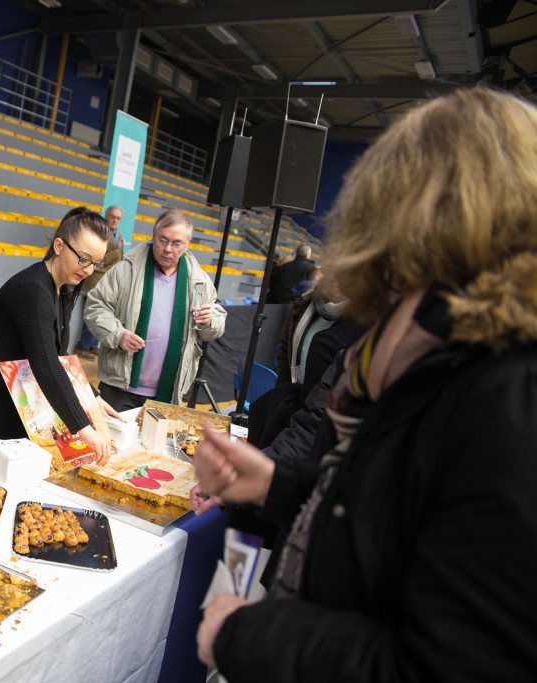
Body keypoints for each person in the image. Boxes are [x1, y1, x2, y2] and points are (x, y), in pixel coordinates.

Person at [192, 88, 537, 681]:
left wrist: (246, 635)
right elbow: (393, 522)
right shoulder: (427, 335)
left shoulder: (507, 395)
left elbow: (455, 661)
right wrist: (278, 485)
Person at [0, 207, 122, 462]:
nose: (89, 269)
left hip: (8, 408)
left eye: (96, 263)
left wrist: (91, 398)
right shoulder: (33, 290)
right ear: (59, 246)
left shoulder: (59, 286)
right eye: (83, 258)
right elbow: (46, 362)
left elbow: (59, 353)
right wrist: (83, 428)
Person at [85, 208, 227, 411]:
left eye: (176, 243)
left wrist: (210, 320)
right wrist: (118, 335)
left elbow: (215, 323)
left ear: (187, 245)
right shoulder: (126, 269)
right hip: (119, 388)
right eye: (163, 240)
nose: (168, 248)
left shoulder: (199, 281)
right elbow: (95, 306)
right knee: (111, 442)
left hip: (169, 392)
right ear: (153, 237)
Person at [76, 205, 125, 358]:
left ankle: (92, 346)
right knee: (93, 313)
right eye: (113, 217)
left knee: (104, 314)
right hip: (96, 280)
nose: (115, 220)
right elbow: (98, 261)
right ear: (106, 217)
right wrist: (116, 252)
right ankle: (83, 346)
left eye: (118, 218)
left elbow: (119, 260)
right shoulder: (99, 234)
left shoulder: (119, 235)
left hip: (110, 281)